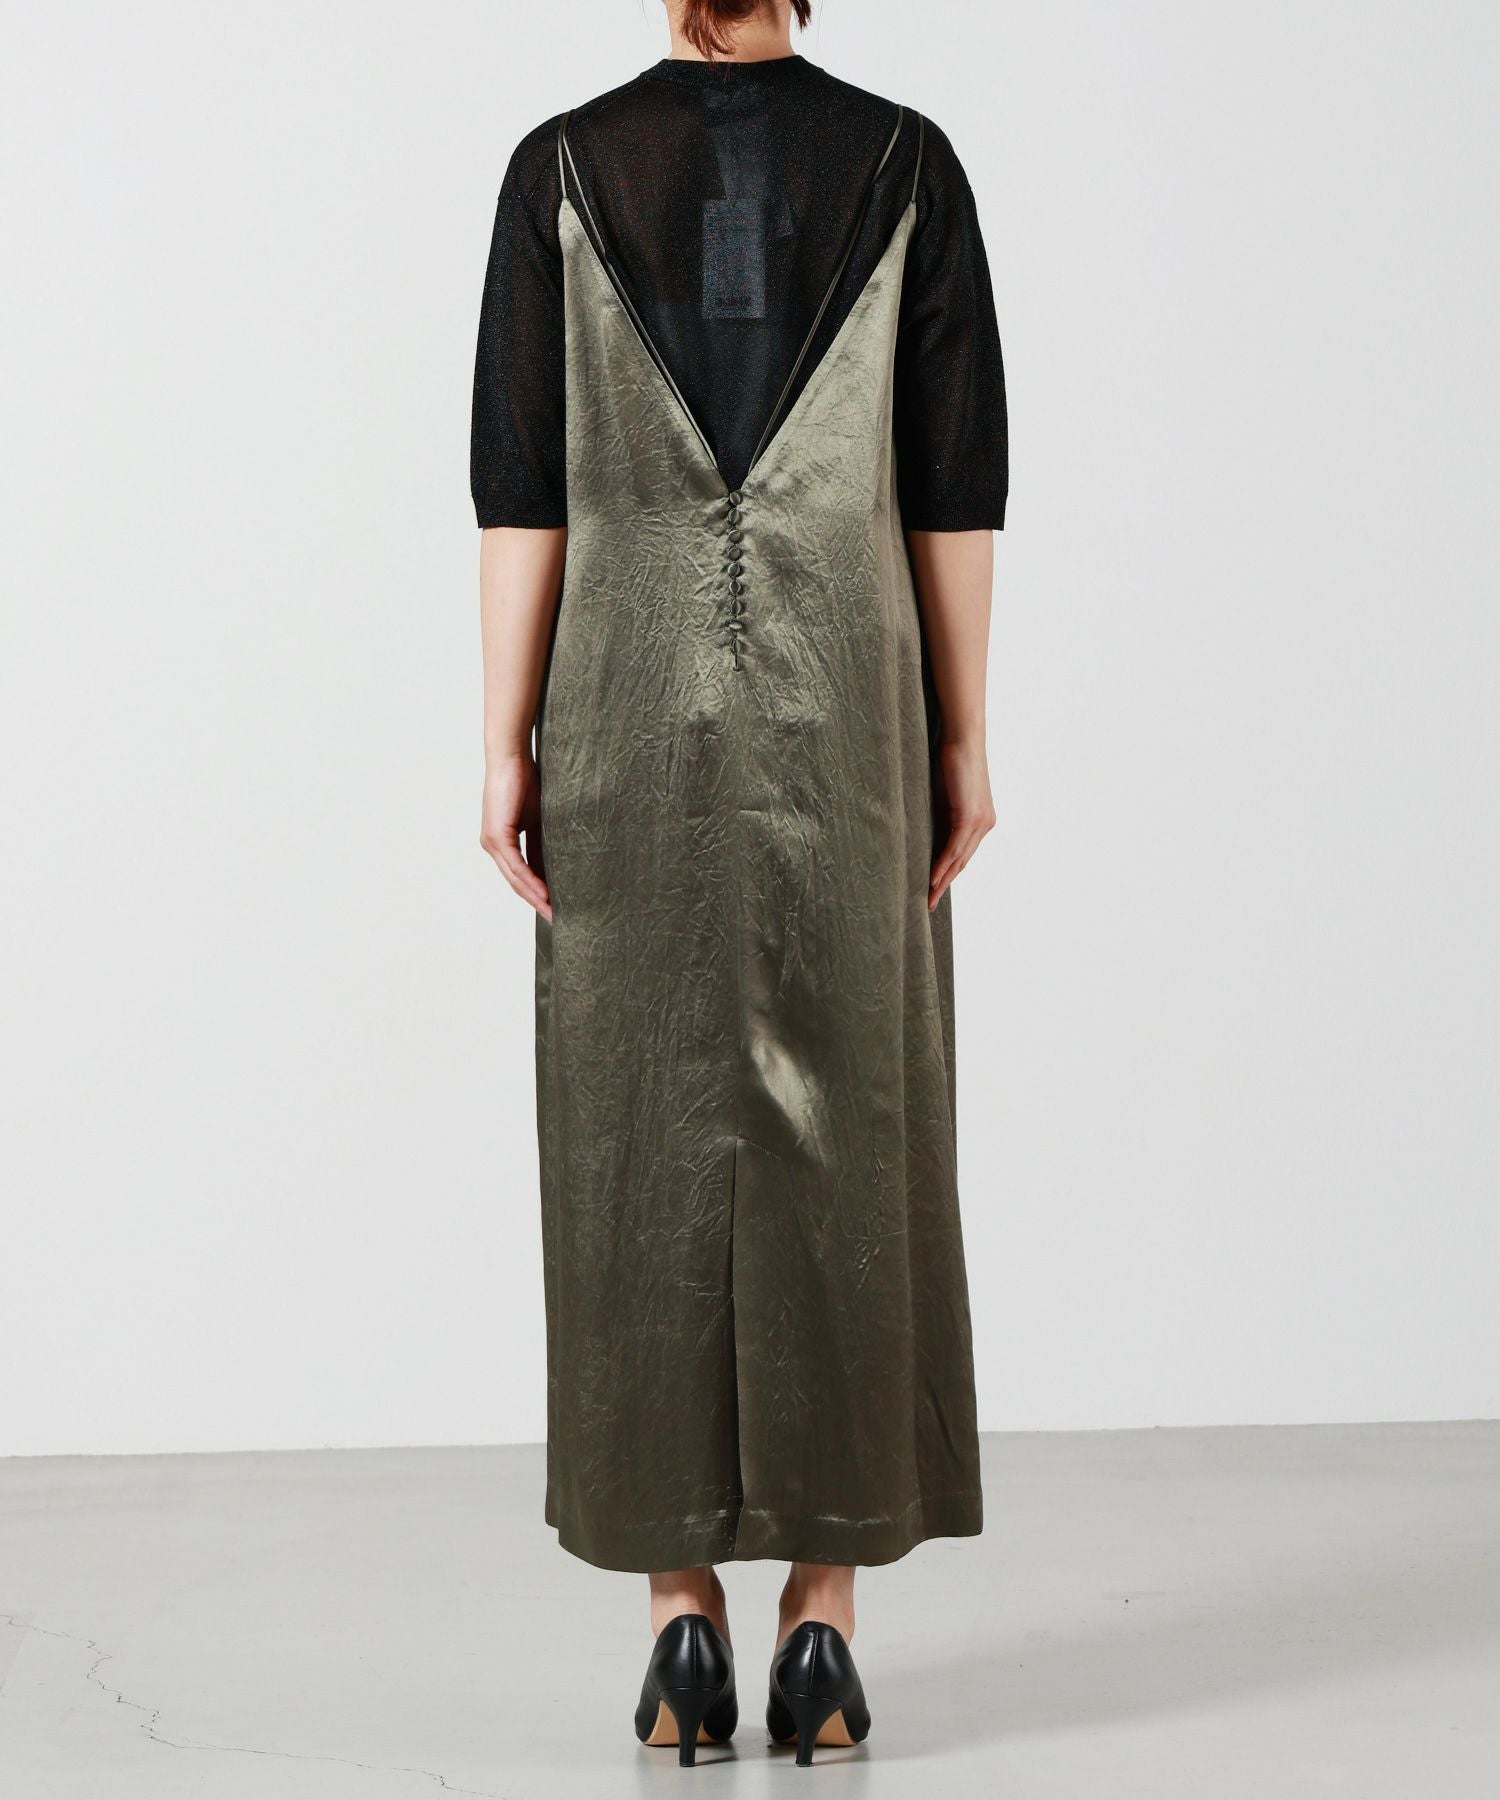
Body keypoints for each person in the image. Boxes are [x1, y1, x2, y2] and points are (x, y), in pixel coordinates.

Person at [470, 0, 1006, 1766]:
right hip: (849, 692)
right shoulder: (906, 164)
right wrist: (963, 736)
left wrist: (503, 740)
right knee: (855, 1118)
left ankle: (678, 1622)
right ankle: (824, 1624)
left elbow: (521, 485)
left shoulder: (560, 171)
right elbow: (953, 483)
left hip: (619, 691)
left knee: (634, 1127)